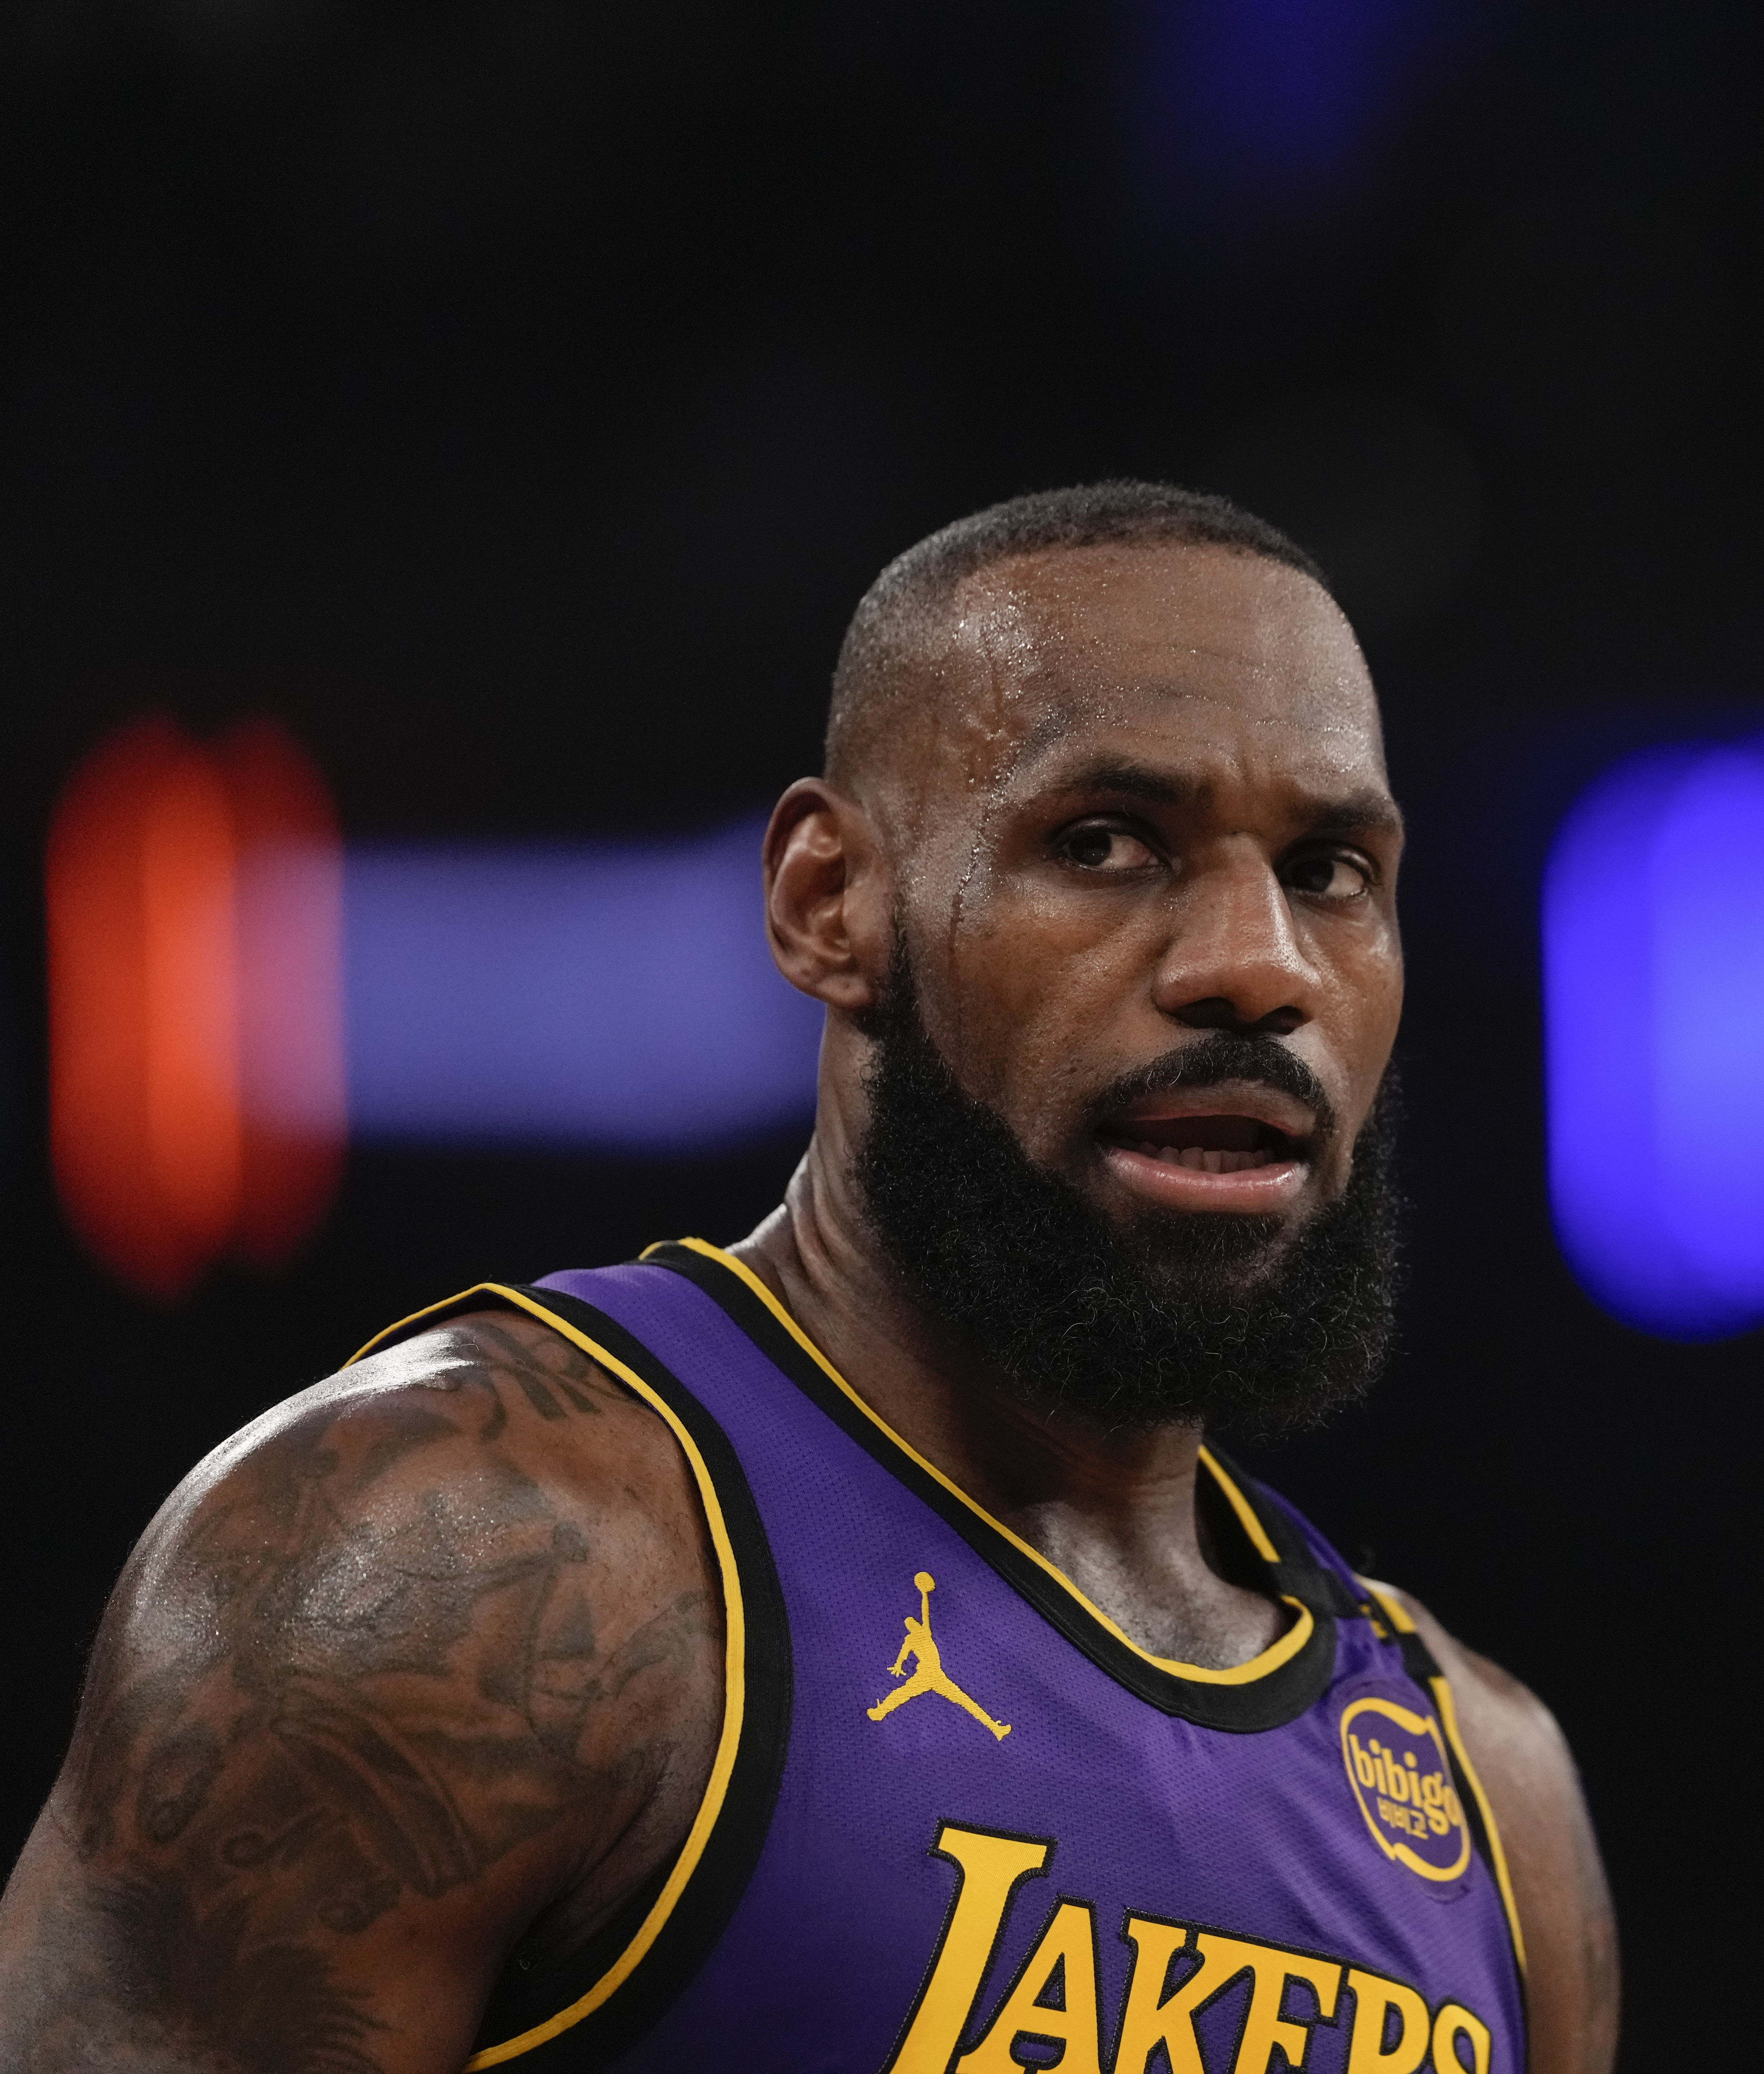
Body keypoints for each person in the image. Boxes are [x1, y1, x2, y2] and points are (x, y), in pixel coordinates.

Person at [0, 483, 1617, 2074]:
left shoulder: (1493, 1798)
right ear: (829, 905)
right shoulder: (459, 1569)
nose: (1258, 963)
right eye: (1108, 842)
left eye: (1332, 870)